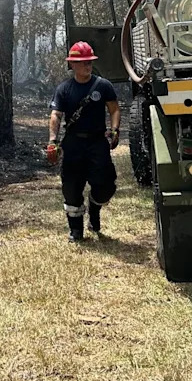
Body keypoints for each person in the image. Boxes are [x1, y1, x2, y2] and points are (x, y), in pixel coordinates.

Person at [46, 41, 121, 242]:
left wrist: (114, 130)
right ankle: (76, 230)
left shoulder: (103, 86)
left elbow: (114, 109)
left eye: (89, 62)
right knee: (71, 187)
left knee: (105, 184)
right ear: (72, 65)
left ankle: (95, 208)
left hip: (97, 143)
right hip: (73, 144)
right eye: (82, 62)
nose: (87, 66)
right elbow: (56, 115)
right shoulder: (64, 89)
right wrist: (53, 141)